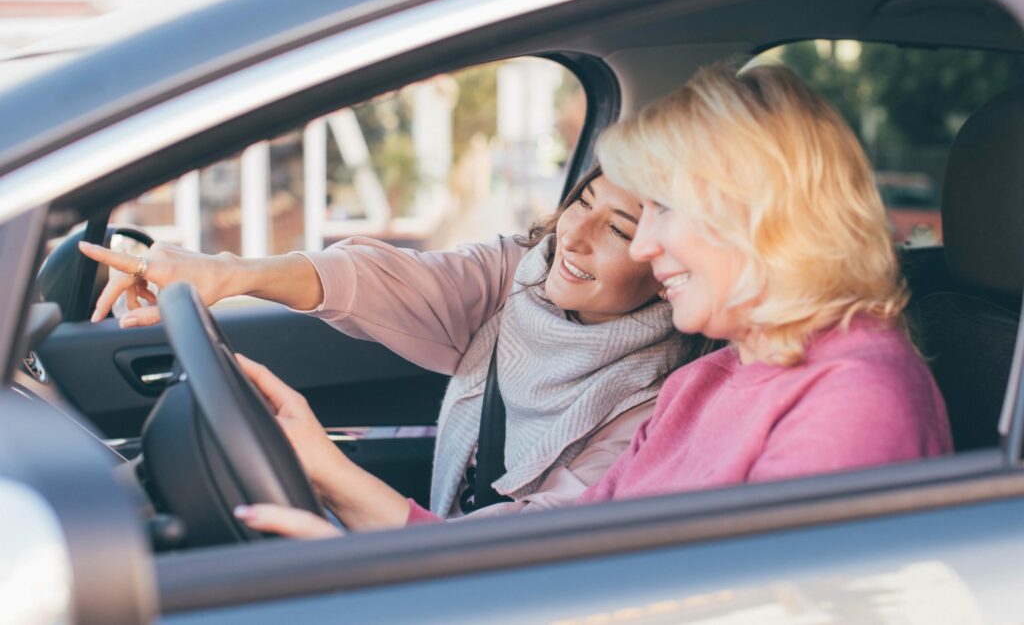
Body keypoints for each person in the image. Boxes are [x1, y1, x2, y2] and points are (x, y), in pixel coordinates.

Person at [399, 61, 953, 526]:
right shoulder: (704, 381)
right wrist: (356, 498)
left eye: (662, 209)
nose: (643, 246)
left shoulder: (855, 401)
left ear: (757, 215)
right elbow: (565, 548)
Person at [80, 168, 710, 532]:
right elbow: (381, 280)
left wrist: (328, 473)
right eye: (582, 202)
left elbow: (521, 555)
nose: (574, 236)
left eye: (619, 228)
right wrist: (233, 273)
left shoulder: (658, 403)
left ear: (668, 259)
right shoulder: (520, 274)